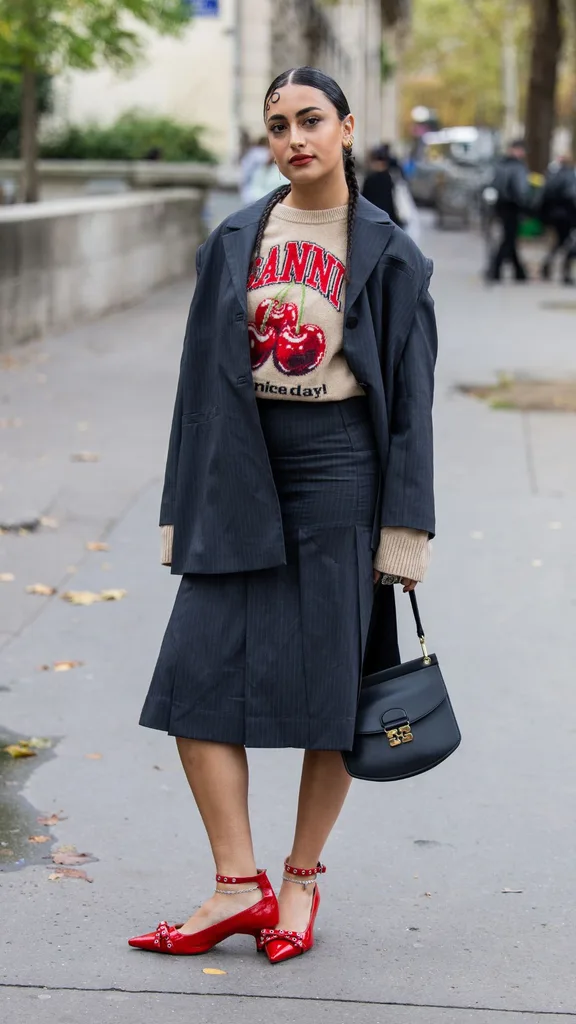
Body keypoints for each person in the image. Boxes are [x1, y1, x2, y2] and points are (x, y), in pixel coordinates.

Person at [129, 66, 437, 965]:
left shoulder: (390, 252)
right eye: (277, 125)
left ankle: (300, 878)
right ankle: (237, 886)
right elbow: (196, 383)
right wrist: (181, 505)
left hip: (342, 467)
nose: (294, 139)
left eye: (310, 120)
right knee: (193, 680)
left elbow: (412, 402)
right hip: (238, 464)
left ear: (347, 127)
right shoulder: (233, 238)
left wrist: (405, 530)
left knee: (331, 694)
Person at [487, 140, 529, 282]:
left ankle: (519, 272)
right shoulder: (518, 167)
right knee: (509, 239)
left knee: (509, 237)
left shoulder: (500, 164)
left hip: (501, 206)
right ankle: (495, 269)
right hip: (513, 206)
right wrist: (526, 205)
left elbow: (493, 184)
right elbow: (521, 189)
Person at [540, 156, 576, 286]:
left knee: (561, 241)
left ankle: (548, 264)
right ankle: (566, 273)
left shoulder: (552, 176)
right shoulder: (570, 176)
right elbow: (573, 195)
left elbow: (544, 195)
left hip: (554, 215)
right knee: (569, 243)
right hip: (569, 215)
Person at [361, 144, 404, 226]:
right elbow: (391, 201)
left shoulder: (370, 178)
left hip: (371, 217)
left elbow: (364, 198)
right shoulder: (387, 178)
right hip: (385, 217)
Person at [239, 136, 269, 205]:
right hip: (256, 193)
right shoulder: (258, 152)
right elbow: (266, 159)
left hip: (251, 192)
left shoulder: (251, 153)